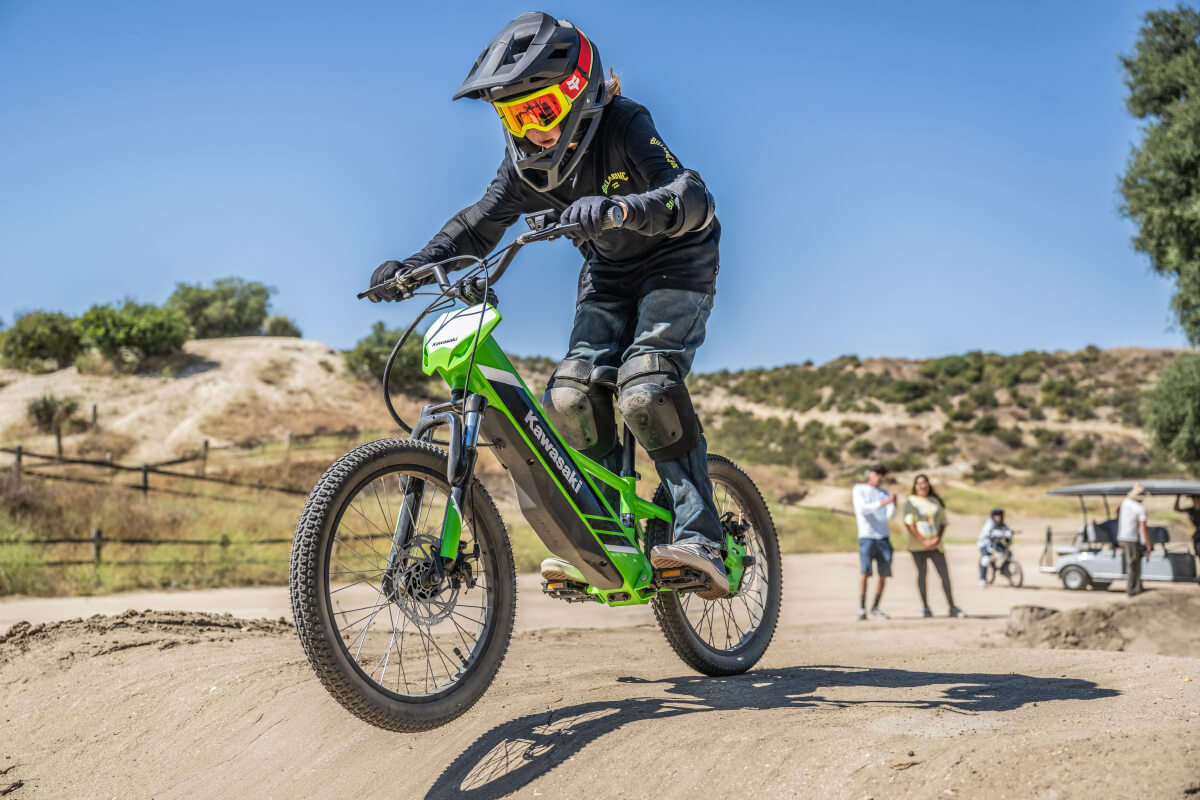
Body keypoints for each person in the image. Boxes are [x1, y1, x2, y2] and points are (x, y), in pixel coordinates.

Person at [367, 13, 727, 594]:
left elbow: (691, 194)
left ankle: (701, 533)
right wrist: (416, 263)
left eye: (538, 111)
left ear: (578, 91)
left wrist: (628, 208)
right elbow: (480, 223)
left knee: (645, 386)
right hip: (609, 270)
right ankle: (607, 532)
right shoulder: (523, 169)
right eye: (513, 115)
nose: (530, 131)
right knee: (570, 393)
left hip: (677, 262)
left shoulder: (624, 123)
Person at [903, 474, 964, 618]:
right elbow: (909, 523)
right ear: (915, 485)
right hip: (918, 546)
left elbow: (943, 522)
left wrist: (937, 538)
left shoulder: (935, 501)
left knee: (944, 575)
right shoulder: (911, 501)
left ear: (928, 484)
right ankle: (925, 607)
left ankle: (952, 606)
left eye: (924, 482)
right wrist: (923, 540)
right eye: (919, 483)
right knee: (922, 575)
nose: (922, 485)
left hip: (936, 545)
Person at [852, 464, 896, 620]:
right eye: (877, 472)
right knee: (865, 572)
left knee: (883, 574)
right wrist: (883, 503)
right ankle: (862, 609)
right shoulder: (859, 489)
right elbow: (862, 508)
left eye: (881, 473)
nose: (880, 476)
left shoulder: (884, 493)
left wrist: (893, 505)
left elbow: (889, 516)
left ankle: (875, 608)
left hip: (883, 537)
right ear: (868, 474)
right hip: (867, 536)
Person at [1117, 483, 1152, 596]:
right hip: (1130, 538)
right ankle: (1132, 590)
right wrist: (1148, 544)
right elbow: (1143, 528)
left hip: (1123, 537)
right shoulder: (1140, 509)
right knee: (1133, 564)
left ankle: (1136, 587)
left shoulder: (1125, 502)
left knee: (1134, 563)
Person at [977, 508, 1013, 587]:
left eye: (999, 516)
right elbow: (988, 533)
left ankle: (1004, 569)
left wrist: (1010, 532)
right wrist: (1000, 533)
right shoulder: (989, 524)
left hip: (996, 543)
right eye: (996, 516)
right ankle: (982, 579)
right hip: (985, 544)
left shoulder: (1002, 524)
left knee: (1008, 554)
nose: (998, 518)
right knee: (985, 559)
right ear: (993, 517)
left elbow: (1007, 531)